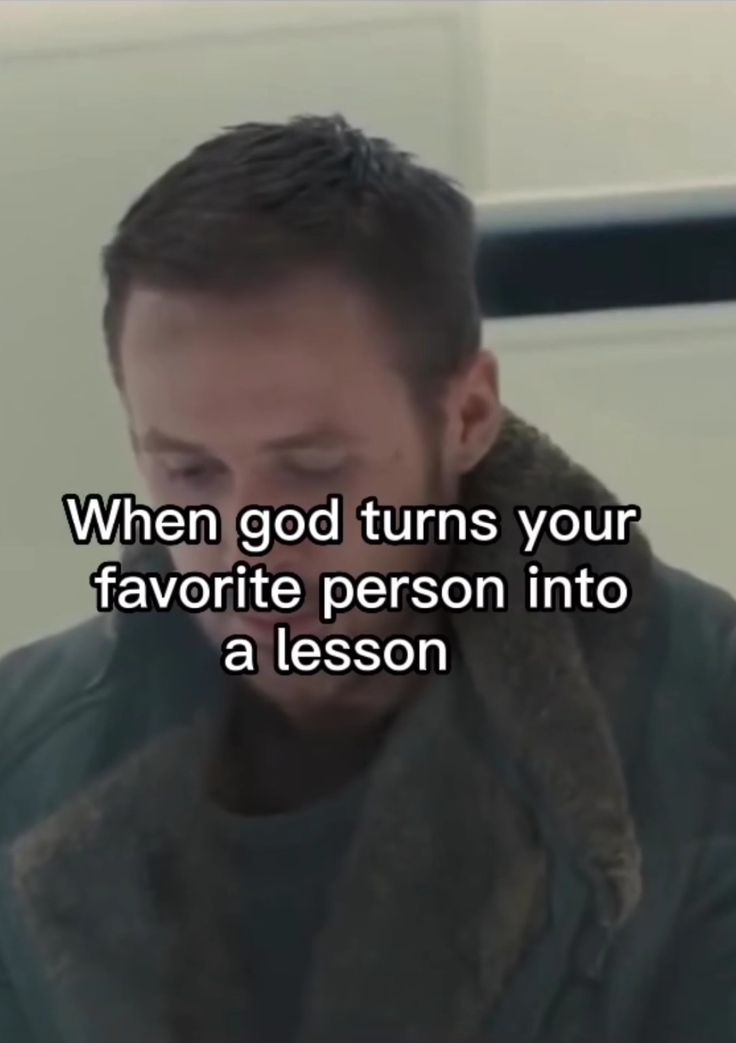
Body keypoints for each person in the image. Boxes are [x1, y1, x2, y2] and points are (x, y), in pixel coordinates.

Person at [0, 114, 734, 1043]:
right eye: (189, 473)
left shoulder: (706, 727)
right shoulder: (23, 756)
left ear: (467, 416)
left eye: (314, 470)